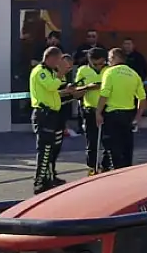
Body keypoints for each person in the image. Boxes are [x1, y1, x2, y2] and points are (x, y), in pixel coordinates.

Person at [97, 47, 147, 170]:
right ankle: (127, 172)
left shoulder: (109, 72)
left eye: (109, 59)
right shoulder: (134, 74)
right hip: (128, 116)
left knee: (113, 149)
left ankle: (115, 173)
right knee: (127, 148)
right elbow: (142, 98)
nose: (108, 62)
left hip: (112, 115)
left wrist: (98, 112)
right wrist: (137, 117)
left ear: (115, 58)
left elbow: (104, 94)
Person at [29, 46, 71, 193]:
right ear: (51, 58)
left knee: (53, 149)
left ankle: (50, 177)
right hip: (43, 115)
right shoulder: (40, 71)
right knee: (45, 150)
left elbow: (57, 89)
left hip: (53, 114)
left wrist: (67, 88)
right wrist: (61, 73)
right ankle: (39, 182)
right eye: (58, 60)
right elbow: (51, 86)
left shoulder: (51, 71)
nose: (59, 63)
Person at [73, 48, 108, 174]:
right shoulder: (83, 70)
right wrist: (88, 87)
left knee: (108, 140)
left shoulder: (109, 70)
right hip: (89, 109)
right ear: (89, 61)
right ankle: (92, 167)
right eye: (95, 64)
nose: (99, 67)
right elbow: (76, 92)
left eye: (101, 63)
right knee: (91, 141)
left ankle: (106, 166)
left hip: (107, 109)